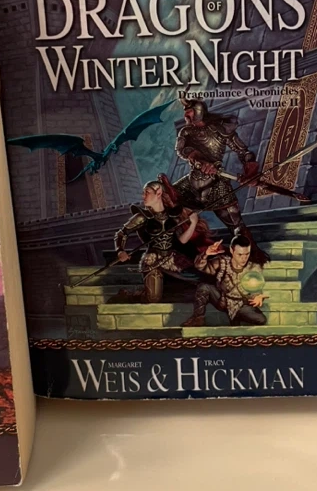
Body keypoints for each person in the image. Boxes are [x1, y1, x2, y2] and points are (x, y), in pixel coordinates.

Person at [173, 93, 269, 261]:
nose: (186, 116)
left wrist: (250, 172)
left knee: (236, 224)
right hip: (193, 182)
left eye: (189, 112)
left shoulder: (220, 129)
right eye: (185, 113)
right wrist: (198, 158)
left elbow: (243, 151)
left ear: (198, 111)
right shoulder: (186, 132)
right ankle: (185, 252)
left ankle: (250, 256)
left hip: (216, 183)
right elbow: (182, 150)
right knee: (169, 198)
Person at [113, 176, 207, 303]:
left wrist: (193, 223)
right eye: (143, 193)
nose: (143, 196)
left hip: (172, 260)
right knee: (153, 298)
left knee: (199, 283)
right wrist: (120, 251)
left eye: (147, 192)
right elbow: (121, 234)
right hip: (153, 260)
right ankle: (131, 295)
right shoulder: (142, 217)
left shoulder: (173, 215)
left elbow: (182, 241)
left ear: (158, 193)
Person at [186, 229, 267, 327]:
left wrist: (258, 296)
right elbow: (200, 267)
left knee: (261, 319)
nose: (244, 258)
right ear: (232, 251)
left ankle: (237, 317)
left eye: (247, 254)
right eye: (240, 254)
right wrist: (206, 254)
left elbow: (256, 289)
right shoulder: (222, 262)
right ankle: (198, 318)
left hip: (241, 305)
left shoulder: (254, 268)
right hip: (222, 301)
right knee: (204, 287)